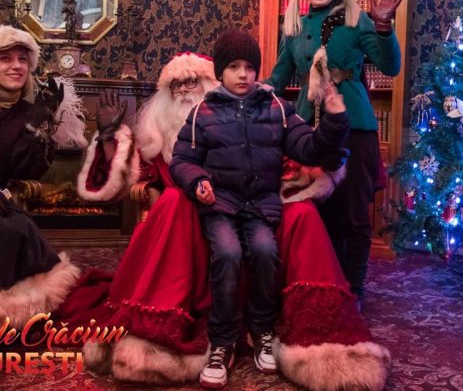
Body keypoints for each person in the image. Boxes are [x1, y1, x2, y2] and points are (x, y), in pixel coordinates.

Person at [65, 50, 391, 391]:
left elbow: (293, 158)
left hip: (253, 211)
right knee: (175, 203)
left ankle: (297, 336)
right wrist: (109, 136)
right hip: (192, 224)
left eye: (192, 81)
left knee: (293, 221)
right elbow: (131, 178)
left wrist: (332, 125)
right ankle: (196, 333)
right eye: (176, 85)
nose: (184, 90)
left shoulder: (267, 113)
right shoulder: (164, 136)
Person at [169, 30, 350, 388]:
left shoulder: (277, 108)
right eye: (234, 67)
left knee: (266, 252)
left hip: (261, 206)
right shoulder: (202, 112)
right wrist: (197, 181)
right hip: (220, 205)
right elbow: (182, 160)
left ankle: (261, 330)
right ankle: (222, 340)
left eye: (250, 67)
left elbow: (310, 148)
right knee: (228, 253)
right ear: (220, 72)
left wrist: (333, 120)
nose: (243, 74)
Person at [268, 0, 405, 301]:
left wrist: (384, 26)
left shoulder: (358, 20)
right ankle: (322, 283)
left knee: (353, 213)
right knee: (315, 211)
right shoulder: (294, 26)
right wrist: (249, 90)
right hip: (308, 131)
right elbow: (279, 76)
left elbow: (390, 66)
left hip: (353, 127)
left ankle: (353, 290)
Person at [0, 25, 80, 327]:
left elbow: (29, 169)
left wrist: (40, 122)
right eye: (6, 58)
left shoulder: (28, 112)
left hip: (3, 204)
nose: (16, 66)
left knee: (15, 228)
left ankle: (12, 311)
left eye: (23, 59)